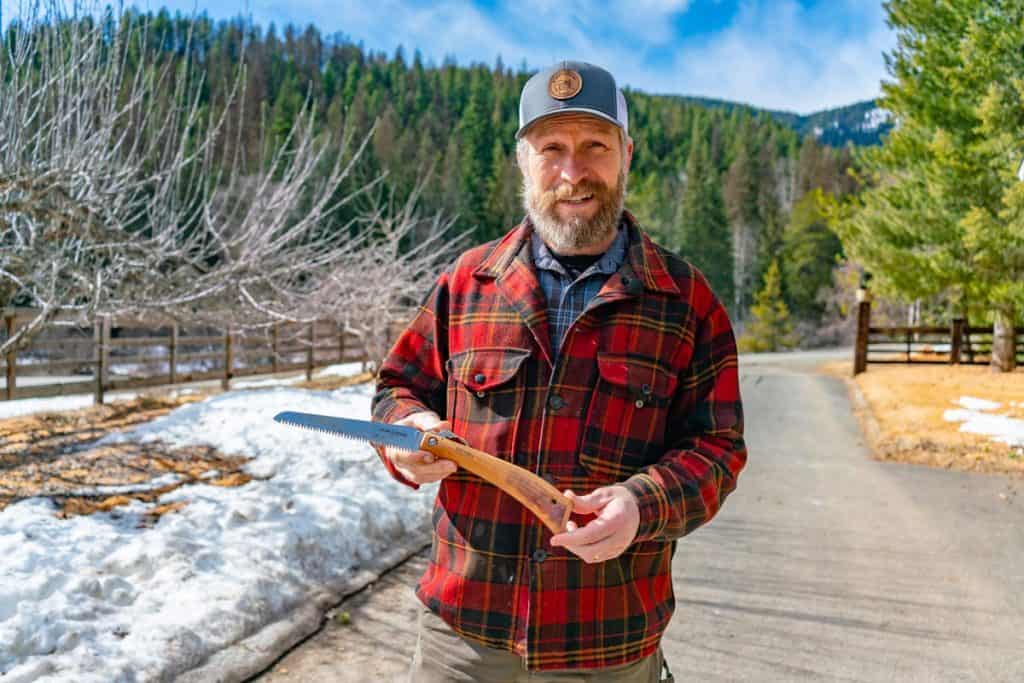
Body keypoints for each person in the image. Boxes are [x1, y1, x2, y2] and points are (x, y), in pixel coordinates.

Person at [371, 60, 747, 682]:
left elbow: (719, 448)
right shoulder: (469, 282)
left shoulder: (684, 300)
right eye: (552, 148)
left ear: (626, 154)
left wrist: (640, 503)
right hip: (462, 637)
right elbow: (397, 387)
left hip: (608, 639)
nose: (573, 172)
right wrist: (409, 432)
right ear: (524, 160)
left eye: (595, 146)